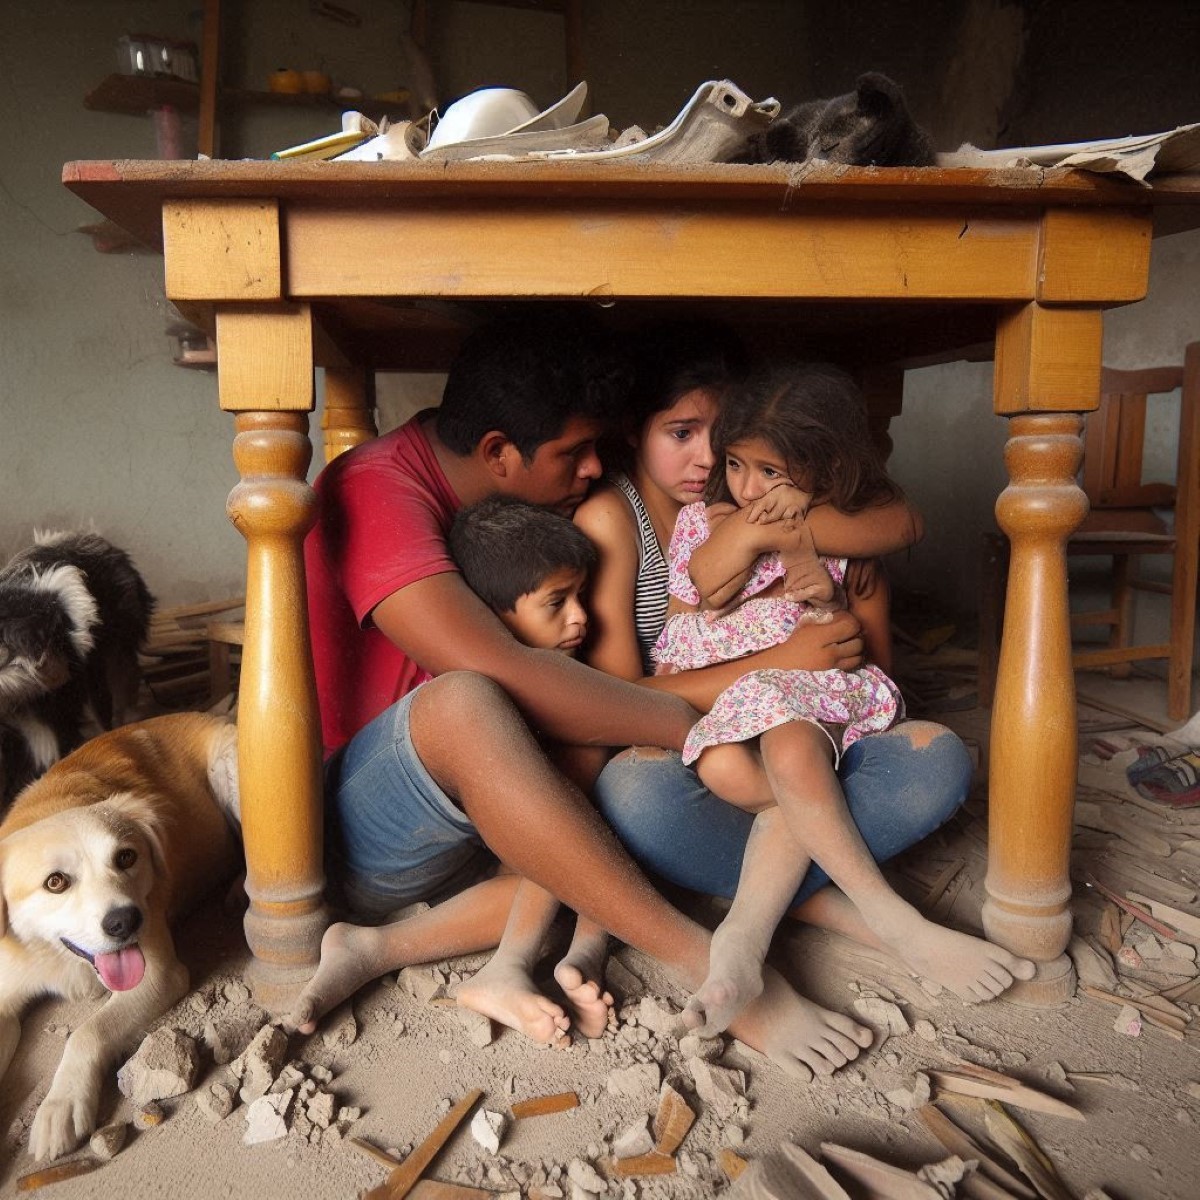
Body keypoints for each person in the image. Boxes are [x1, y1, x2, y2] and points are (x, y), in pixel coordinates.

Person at [291, 309, 879, 1080]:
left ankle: (378, 947)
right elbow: (503, 670)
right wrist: (691, 721)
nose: (596, 468)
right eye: (575, 452)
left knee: (613, 793)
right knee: (478, 699)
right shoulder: (380, 489)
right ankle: (714, 968)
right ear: (499, 453)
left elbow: (887, 517)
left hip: (488, 812)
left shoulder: (488, 475)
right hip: (375, 819)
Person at [573, 323, 1032, 1027]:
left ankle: (746, 934)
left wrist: (815, 574)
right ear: (636, 433)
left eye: (771, 475)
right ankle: (871, 914)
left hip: (812, 715)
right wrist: (762, 538)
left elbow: (878, 662)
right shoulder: (690, 525)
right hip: (712, 719)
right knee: (685, 783)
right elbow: (693, 596)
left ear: (822, 475)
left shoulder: (849, 547)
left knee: (902, 758)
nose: (744, 486)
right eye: (735, 464)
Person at [447, 496, 614, 1044]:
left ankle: (584, 955)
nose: (581, 617)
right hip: (494, 850)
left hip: (527, 857)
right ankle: (516, 962)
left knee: (603, 818)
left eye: (581, 596)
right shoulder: (480, 691)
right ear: (497, 617)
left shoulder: (565, 667)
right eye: (556, 602)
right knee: (582, 809)